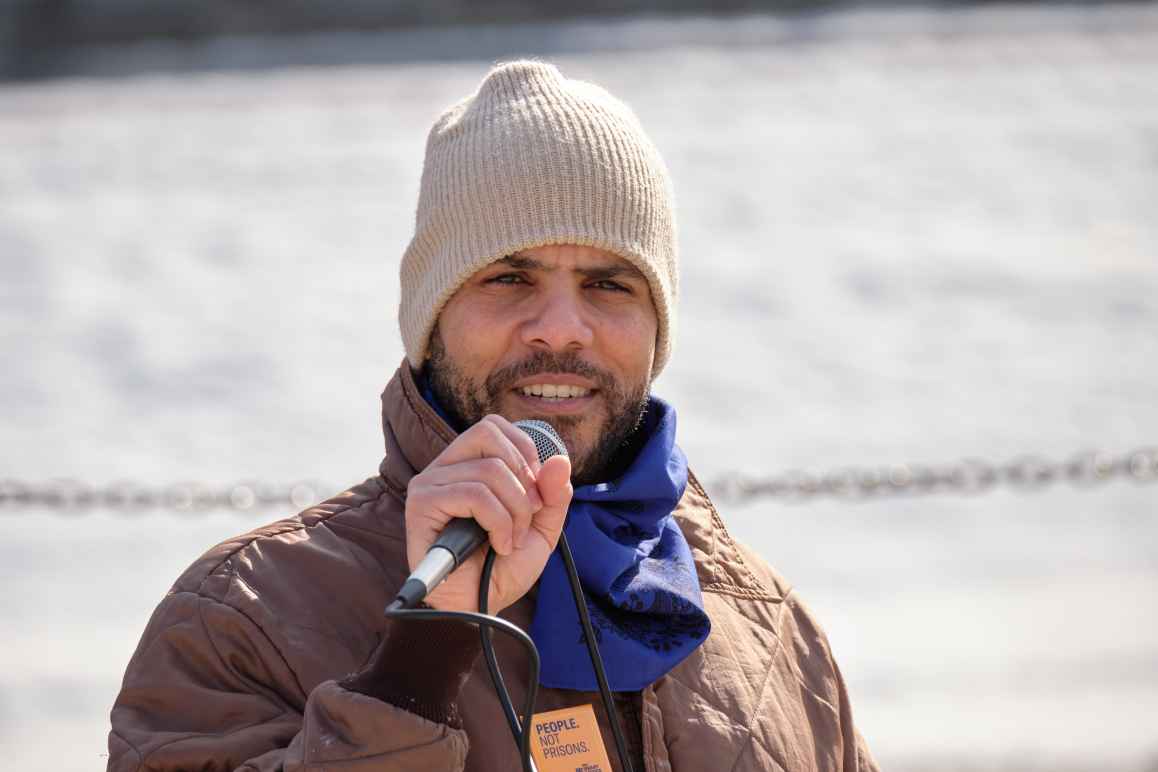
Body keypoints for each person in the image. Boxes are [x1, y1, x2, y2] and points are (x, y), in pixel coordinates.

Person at [107, 59, 877, 772]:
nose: (561, 327)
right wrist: (424, 652)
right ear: (432, 320)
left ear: (657, 328)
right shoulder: (244, 618)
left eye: (610, 284)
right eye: (510, 277)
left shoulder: (768, 624)